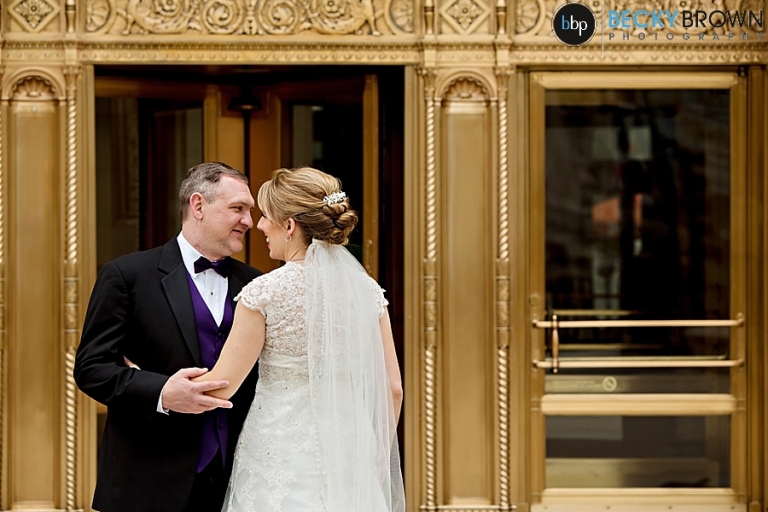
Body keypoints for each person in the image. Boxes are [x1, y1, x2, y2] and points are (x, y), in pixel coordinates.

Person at [194, 166, 406, 512]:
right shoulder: (366, 292)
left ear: (290, 226)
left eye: (267, 217)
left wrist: (152, 379)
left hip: (279, 457)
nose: (260, 226)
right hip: (350, 456)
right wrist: (378, 454)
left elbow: (222, 387)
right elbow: (393, 389)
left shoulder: (265, 293)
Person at [74, 162, 263, 512]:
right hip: (147, 482)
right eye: (238, 208)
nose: (249, 221)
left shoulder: (256, 284)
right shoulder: (127, 275)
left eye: (250, 211)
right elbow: (91, 368)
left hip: (235, 483)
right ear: (198, 205)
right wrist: (162, 392)